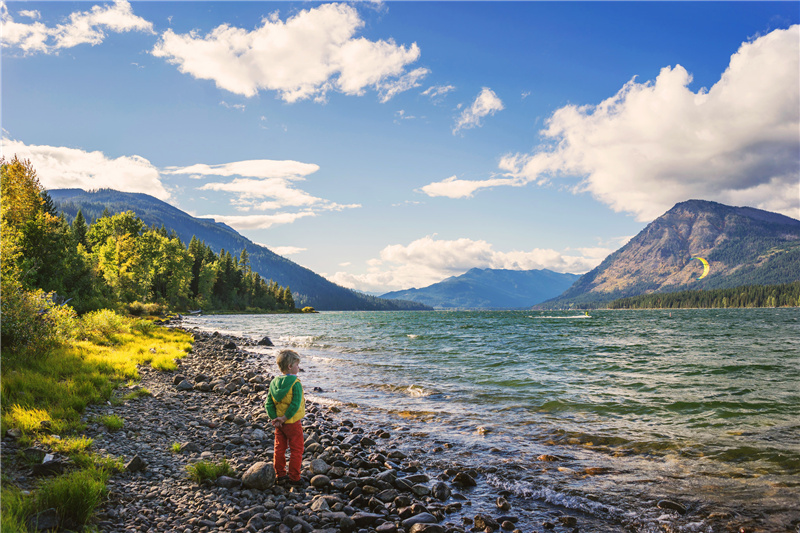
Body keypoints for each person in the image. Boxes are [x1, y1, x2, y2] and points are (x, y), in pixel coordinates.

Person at [265, 349, 305, 486]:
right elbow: (295, 404)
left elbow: (268, 403)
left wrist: (275, 418)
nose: (298, 367)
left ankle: (280, 475)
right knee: (297, 449)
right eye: (297, 365)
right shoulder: (296, 383)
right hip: (292, 423)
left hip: (279, 424)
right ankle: (294, 477)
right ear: (290, 366)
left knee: (279, 448)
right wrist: (285, 418)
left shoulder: (274, 383)